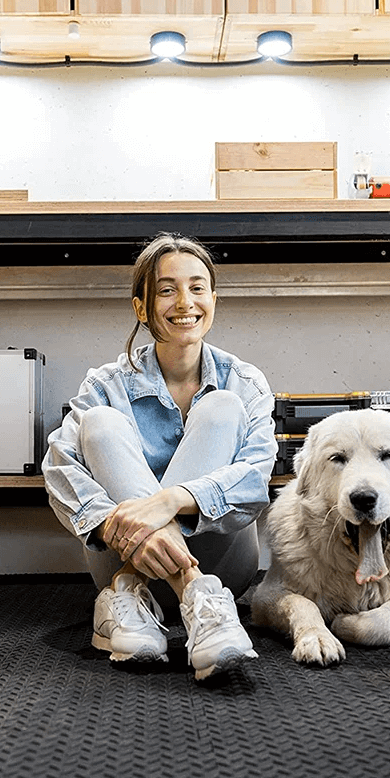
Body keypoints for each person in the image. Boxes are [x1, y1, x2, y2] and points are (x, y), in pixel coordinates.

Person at [43, 233, 277, 680]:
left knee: (221, 407)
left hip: (223, 562)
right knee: (99, 423)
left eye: (197, 287)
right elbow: (58, 466)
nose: (184, 302)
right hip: (124, 549)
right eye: (167, 290)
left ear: (213, 299)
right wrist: (112, 522)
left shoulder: (243, 382)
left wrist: (171, 500)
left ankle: (125, 591)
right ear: (142, 308)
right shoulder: (106, 383)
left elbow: (254, 480)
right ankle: (192, 592)